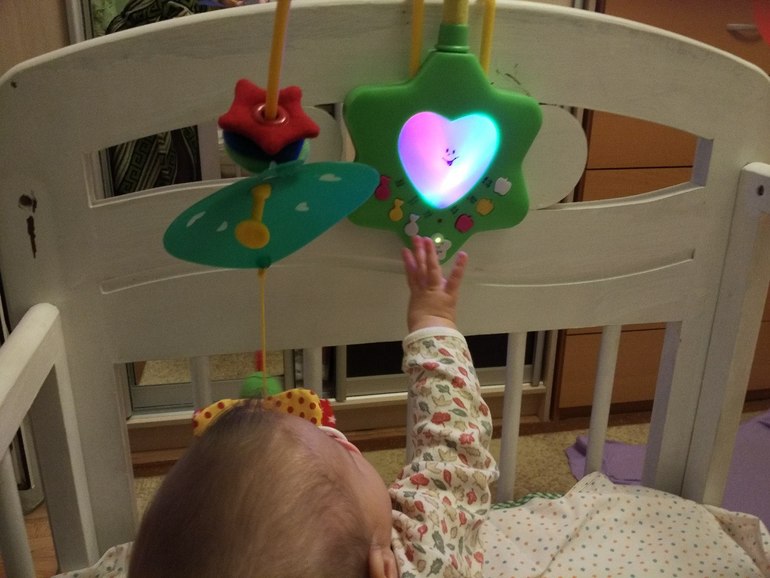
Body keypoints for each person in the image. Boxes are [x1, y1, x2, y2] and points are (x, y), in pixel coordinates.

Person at [128, 236, 497, 577]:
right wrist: (434, 323)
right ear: (382, 570)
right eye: (347, 455)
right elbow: (453, 448)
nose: (335, 435)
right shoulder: (427, 554)